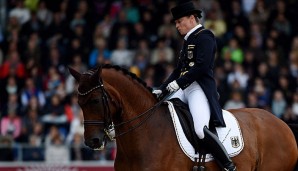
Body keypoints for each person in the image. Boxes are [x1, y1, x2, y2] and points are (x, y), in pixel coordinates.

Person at [152, 1, 236, 170]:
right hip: (185, 88)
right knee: (159, 111)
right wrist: (161, 88)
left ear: (192, 18)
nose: (177, 26)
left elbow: (202, 67)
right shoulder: (187, 40)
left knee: (200, 129)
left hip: (199, 88)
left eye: (179, 21)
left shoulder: (206, 36)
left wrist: (179, 83)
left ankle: (228, 165)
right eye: (175, 23)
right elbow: (178, 70)